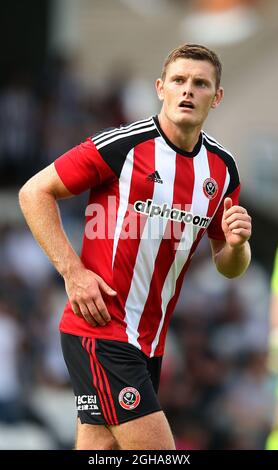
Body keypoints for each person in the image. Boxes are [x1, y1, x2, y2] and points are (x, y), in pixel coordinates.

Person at [19, 44, 252, 450]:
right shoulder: (124, 145)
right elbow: (34, 192)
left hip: (148, 342)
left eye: (200, 84)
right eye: (179, 81)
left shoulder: (223, 169)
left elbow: (228, 265)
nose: (188, 91)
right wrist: (73, 273)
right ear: (161, 88)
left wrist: (238, 245)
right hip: (100, 330)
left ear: (216, 97)